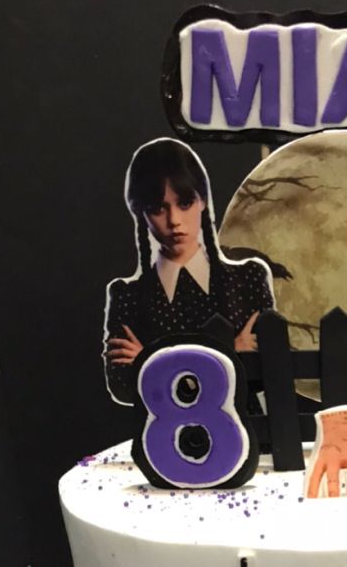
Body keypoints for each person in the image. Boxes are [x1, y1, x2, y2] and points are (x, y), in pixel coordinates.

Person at [104, 138, 274, 405]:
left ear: (202, 201)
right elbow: (123, 386)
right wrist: (232, 352)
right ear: (141, 213)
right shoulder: (128, 295)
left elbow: (265, 373)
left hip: (246, 435)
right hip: (162, 439)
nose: (174, 221)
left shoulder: (247, 279)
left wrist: (150, 361)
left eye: (184, 203)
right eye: (158, 208)